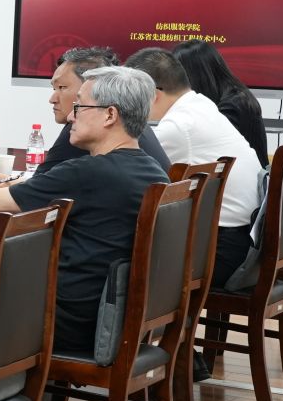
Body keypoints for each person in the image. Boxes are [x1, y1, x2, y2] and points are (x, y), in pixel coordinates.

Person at [0, 66, 170, 361]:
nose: (69, 117)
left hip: (64, 322)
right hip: (108, 318)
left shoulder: (89, 173)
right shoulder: (153, 172)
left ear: (110, 115)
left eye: (79, 107)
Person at [127, 47, 264, 287]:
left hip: (219, 252)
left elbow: (128, 172)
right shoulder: (201, 104)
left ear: (152, 94)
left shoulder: (179, 126)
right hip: (241, 243)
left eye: (131, 96)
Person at [26, 47, 169, 180]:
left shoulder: (87, 132)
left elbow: (36, 187)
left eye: (62, 87)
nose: (52, 99)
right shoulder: (132, 127)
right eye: (54, 88)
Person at [176, 38, 270, 167]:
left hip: (244, 177)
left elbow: (211, 151)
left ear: (195, 75)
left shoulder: (232, 106)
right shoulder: (235, 95)